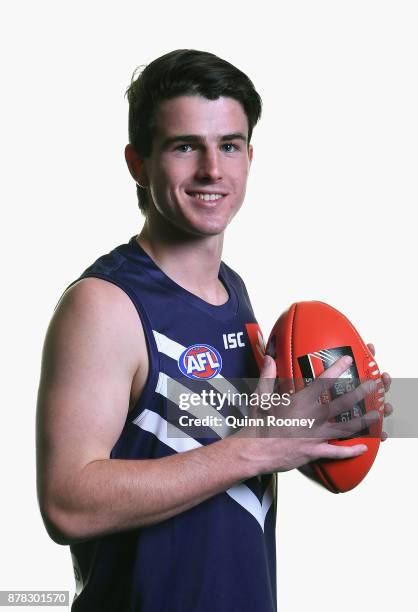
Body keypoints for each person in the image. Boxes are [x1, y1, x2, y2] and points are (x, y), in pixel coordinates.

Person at [36, 49, 392, 611]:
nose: (212, 171)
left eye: (229, 145)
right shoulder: (105, 306)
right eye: (185, 147)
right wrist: (254, 450)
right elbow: (66, 503)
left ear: (250, 155)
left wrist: (350, 404)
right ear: (137, 162)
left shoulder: (234, 292)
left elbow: (210, 424)